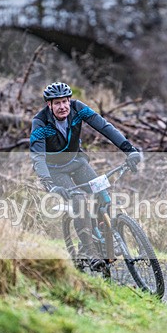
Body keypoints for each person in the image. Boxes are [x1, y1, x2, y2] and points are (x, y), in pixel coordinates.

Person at [30, 81, 142, 268]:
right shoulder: (40, 122)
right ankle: (89, 253)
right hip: (55, 171)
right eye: (57, 103)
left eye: (65, 101)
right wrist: (49, 184)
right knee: (79, 202)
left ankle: (102, 234)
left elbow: (104, 127)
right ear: (48, 104)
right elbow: (37, 157)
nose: (63, 106)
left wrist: (129, 149)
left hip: (77, 162)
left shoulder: (78, 109)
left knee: (103, 193)